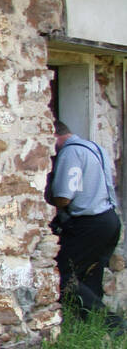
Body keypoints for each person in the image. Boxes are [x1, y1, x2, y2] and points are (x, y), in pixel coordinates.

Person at [45, 120, 125, 330]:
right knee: (90, 277)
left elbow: (63, 197)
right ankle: (91, 329)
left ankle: (113, 325)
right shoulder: (95, 148)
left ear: (54, 137)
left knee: (61, 275)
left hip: (89, 223)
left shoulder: (71, 153)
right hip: (110, 220)